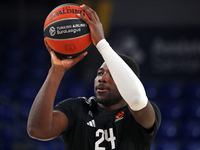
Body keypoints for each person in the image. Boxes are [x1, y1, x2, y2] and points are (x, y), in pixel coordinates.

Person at [27, 4, 161, 150]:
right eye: (99, 73)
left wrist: (102, 44)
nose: (102, 78)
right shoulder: (77, 109)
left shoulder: (141, 114)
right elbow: (38, 130)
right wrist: (56, 71)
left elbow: (136, 99)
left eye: (113, 75)